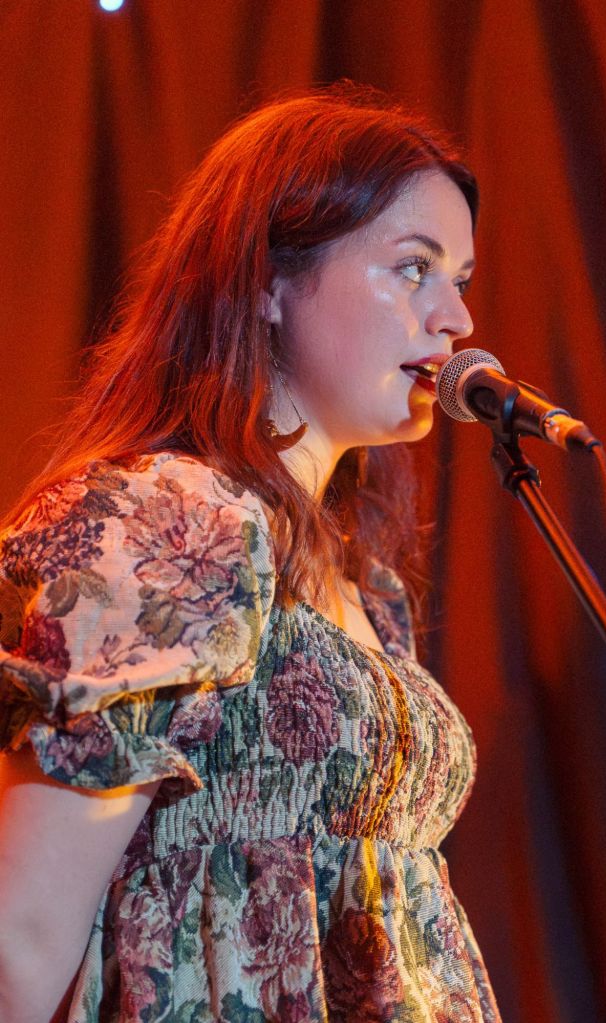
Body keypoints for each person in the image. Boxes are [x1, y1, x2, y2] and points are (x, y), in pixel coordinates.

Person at [0, 86, 502, 1022]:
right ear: (268, 280)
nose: (455, 320)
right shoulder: (170, 521)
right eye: (412, 268)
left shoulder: (367, 585)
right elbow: (19, 936)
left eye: (460, 279)